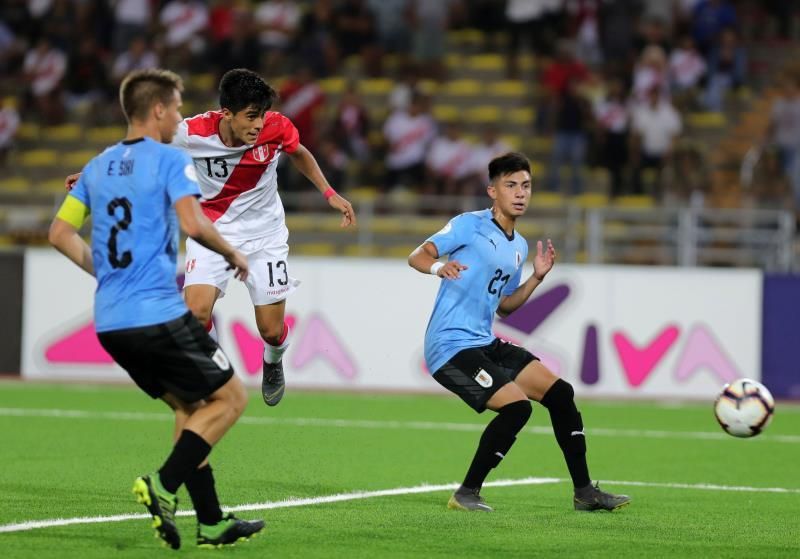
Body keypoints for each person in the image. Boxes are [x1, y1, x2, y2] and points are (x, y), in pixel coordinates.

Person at [49, 69, 263, 549]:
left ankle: (211, 521)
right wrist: (233, 253)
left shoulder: (98, 166)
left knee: (191, 409)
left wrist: (105, 272)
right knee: (230, 399)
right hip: (157, 315)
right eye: (178, 107)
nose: (181, 117)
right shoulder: (170, 159)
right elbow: (193, 222)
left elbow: (59, 234)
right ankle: (162, 486)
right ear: (159, 110)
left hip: (111, 323)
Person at [66, 68, 357, 407]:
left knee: (271, 331)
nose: (259, 124)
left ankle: (273, 359)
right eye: (251, 116)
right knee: (197, 313)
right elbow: (140, 148)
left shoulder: (276, 127)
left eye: (262, 115)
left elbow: (299, 153)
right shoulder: (192, 133)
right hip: (212, 233)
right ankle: (217, 373)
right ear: (227, 113)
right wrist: (93, 173)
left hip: (265, 235)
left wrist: (329, 193)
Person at [407, 152, 631, 513]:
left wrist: (537, 277)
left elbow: (506, 306)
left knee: (561, 394)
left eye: (526, 185)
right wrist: (438, 267)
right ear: (492, 191)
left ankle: (585, 493)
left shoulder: (519, 246)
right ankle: (466, 493)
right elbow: (417, 255)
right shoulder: (469, 225)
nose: (520, 193)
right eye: (510, 185)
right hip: (449, 347)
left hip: (483, 342)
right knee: (516, 408)